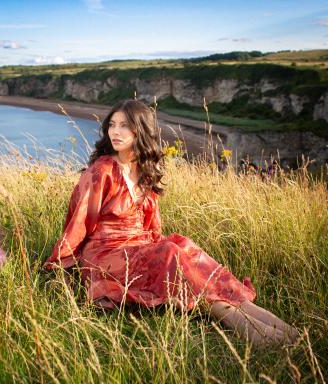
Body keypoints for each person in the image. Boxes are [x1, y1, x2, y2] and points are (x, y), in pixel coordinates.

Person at [44, 99, 298, 347]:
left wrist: (165, 252)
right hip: (106, 252)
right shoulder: (102, 171)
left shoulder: (145, 170)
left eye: (124, 125)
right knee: (170, 252)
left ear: (141, 130)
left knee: (182, 245)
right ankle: (238, 321)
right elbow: (78, 223)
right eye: (112, 125)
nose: (116, 132)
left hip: (138, 245)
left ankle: (259, 314)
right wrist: (62, 266)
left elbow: (153, 228)